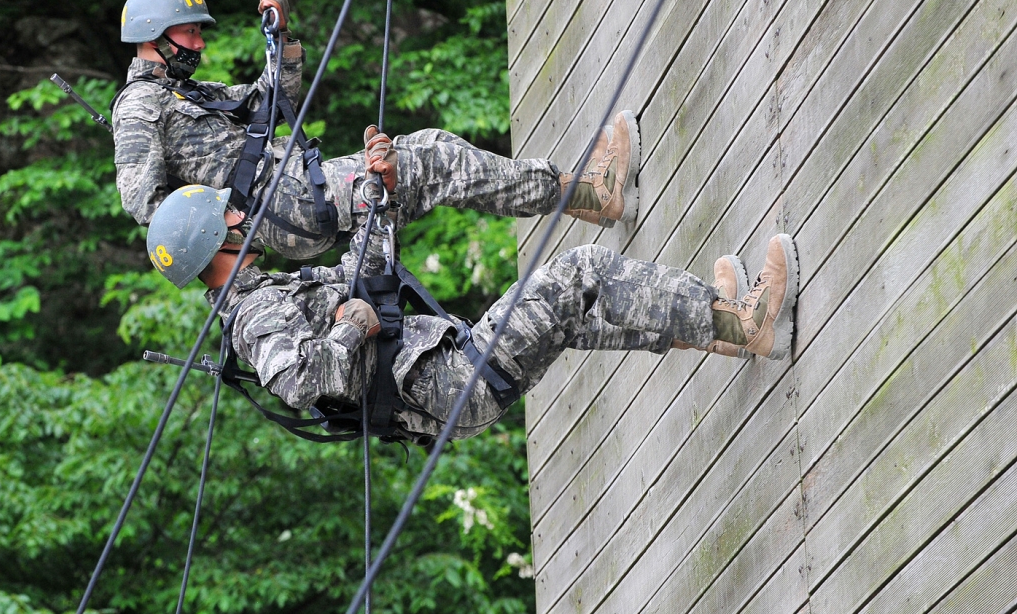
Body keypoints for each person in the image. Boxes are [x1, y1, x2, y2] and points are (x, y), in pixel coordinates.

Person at [143, 174, 799, 444]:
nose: (243, 213)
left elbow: (362, 279)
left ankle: (715, 329)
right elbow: (306, 383)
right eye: (230, 213)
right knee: (582, 271)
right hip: (448, 383)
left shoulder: (269, 292)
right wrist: (348, 327)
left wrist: (377, 198)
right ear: (214, 240)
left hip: (449, 379)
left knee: (575, 315)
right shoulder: (255, 319)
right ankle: (744, 321)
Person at [112, 0, 641, 259]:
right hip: (282, 204)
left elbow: (272, 103)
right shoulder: (138, 106)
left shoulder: (189, 94)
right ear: (152, 36)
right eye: (190, 33)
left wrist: (282, 35)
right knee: (434, 161)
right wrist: (230, 224)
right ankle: (589, 192)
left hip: (294, 192)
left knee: (432, 150)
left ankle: (585, 197)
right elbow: (143, 204)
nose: (200, 42)